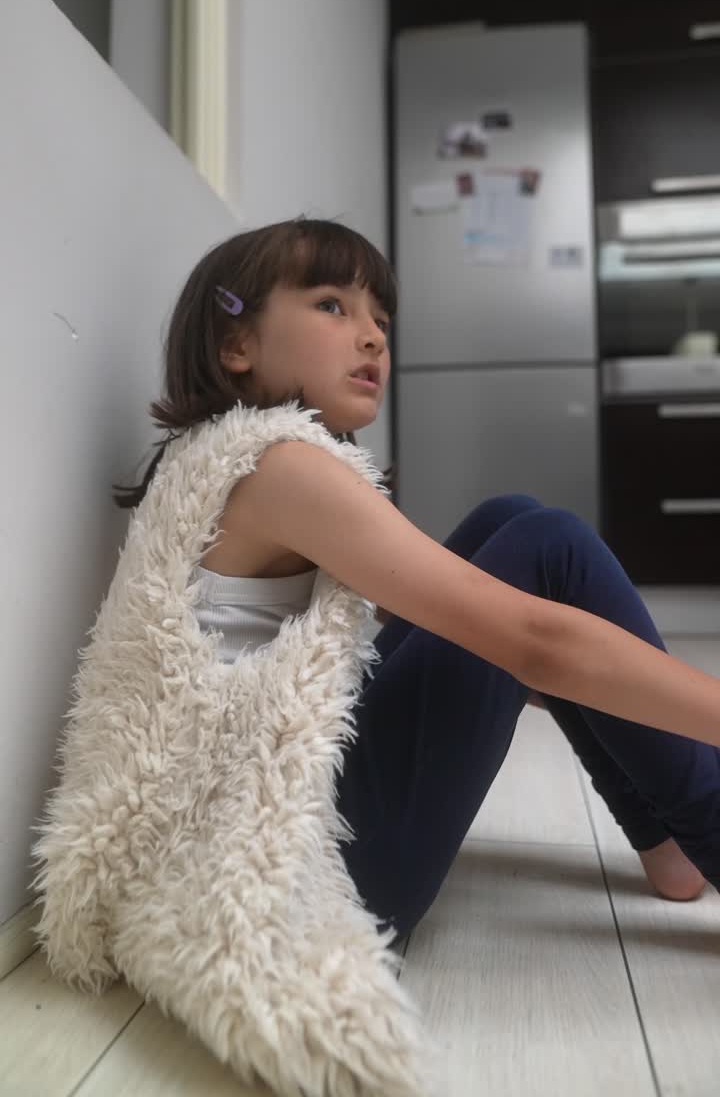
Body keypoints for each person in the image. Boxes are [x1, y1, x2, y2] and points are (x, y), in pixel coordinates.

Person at [115, 216, 718, 944]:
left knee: (511, 519)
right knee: (546, 549)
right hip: (305, 864)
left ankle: (671, 834)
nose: (372, 337)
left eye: (381, 318)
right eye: (333, 305)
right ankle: (702, 817)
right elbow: (537, 643)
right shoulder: (277, 468)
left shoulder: (234, 457)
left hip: (287, 807)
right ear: (235, 343)